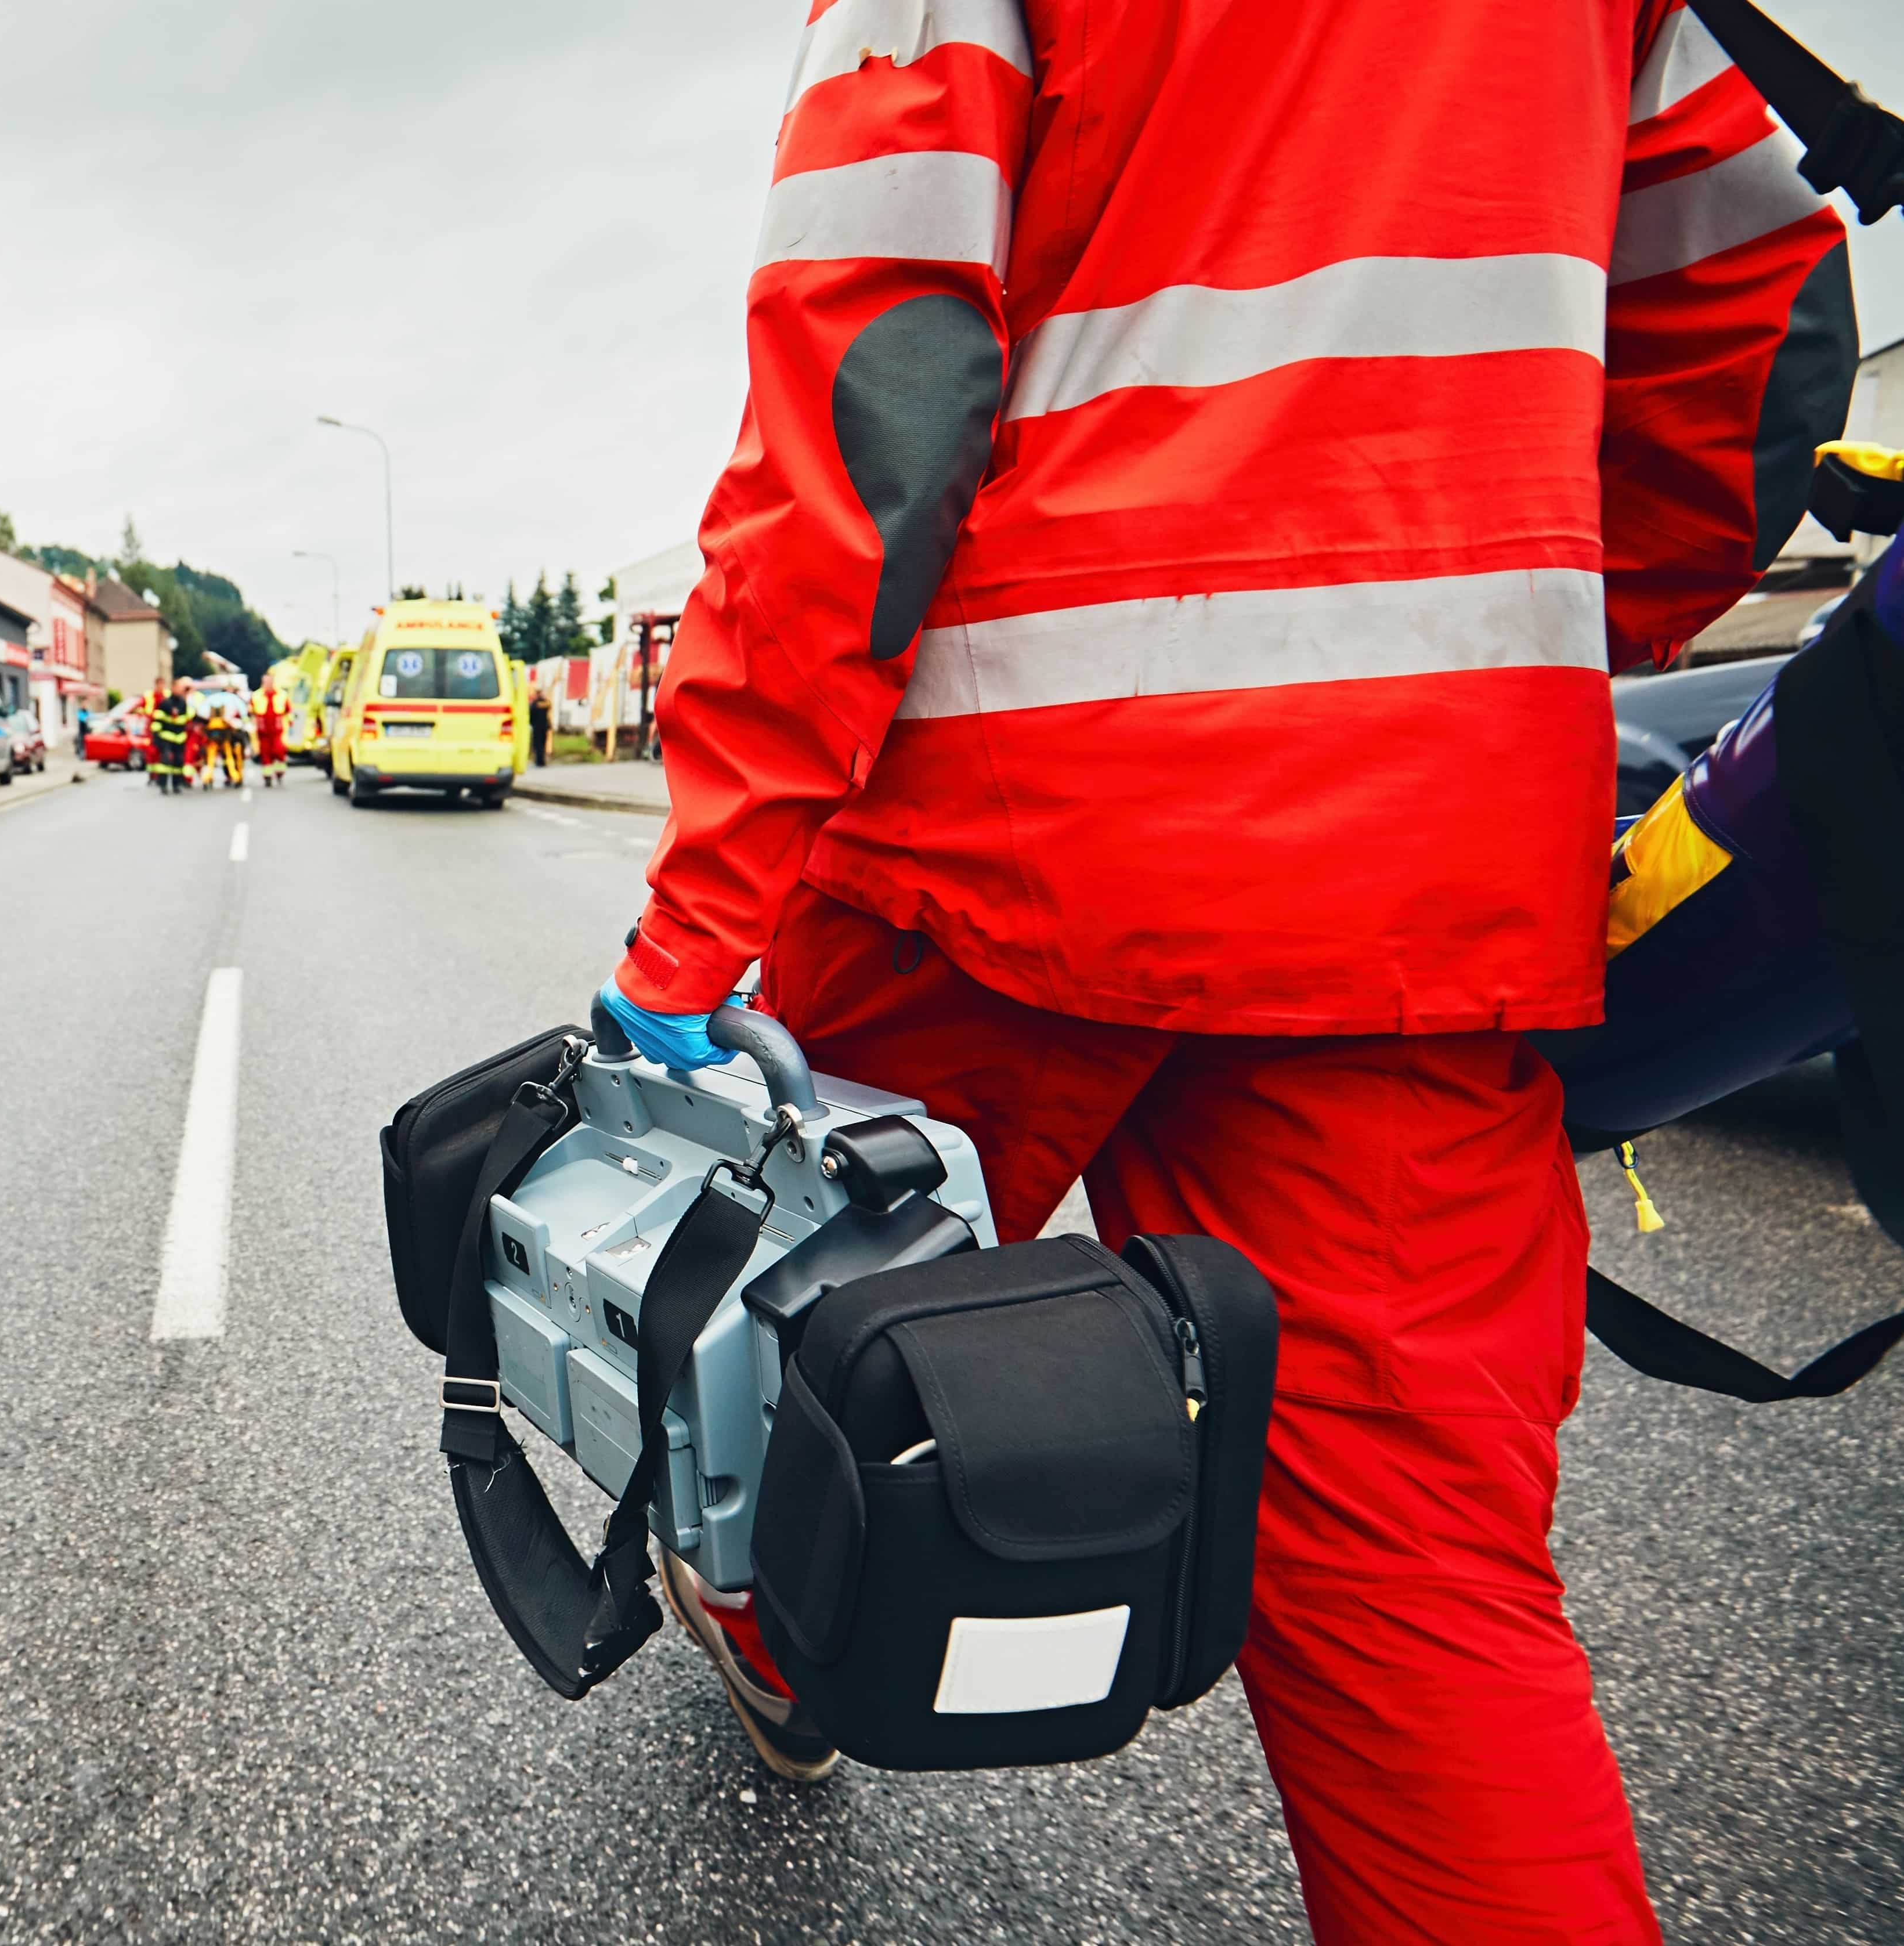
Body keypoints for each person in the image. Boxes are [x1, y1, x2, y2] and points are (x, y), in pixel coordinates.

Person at [595, 4, 1854, 1939]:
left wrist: (693, 924)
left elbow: (871, 405)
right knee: (1420, 1610)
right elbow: (1749, 350)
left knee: (797, 1325)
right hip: (1400, 895)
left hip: (986, 849)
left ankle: (784, 1623)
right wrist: (1450, 667)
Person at [149, 681, 192, 796]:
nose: (180, 690)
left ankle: (176, 785)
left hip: (180, 738)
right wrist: (157, 737)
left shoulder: (183, 703)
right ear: (173, 688)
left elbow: (187, 719)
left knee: (178, 762)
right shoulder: (165, 703)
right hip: (166, 738)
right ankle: (163, 785)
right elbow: (157, 721)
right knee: (166, 761)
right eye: (178, 687)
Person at [252, 670, 292, 786]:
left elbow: (288, 711)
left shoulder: (282, 695)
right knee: (265, 753)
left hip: (278, 730)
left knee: (279, 751)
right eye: (266, 682)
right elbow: (252, 712)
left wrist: (290, 723)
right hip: (263, 730)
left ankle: (280, 773)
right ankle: (268, 777)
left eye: (270, 682)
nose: (268, 684)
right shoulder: (257, 695)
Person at [527, 681, 552, 767]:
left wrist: (531, 723)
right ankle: (543, 761)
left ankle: (539, 761)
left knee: (537, 745)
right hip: (545, 726)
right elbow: (550, 707)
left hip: (537, 727)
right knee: (543, 743)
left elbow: (531, 714)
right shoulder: (546, 702)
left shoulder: (535, 703)